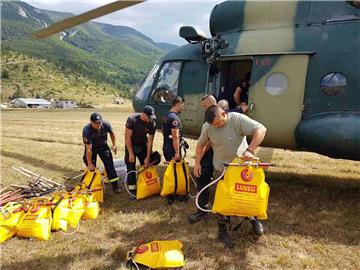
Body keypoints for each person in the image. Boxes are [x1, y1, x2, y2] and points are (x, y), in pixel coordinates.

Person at [194, 105, 267, 249]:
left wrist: (250, 150)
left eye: (218, 123)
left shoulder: (238, 119)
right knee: (223, 200)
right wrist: (197, 163)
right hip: (222, 169)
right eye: (213, 125)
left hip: (241, 169)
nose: (216, 127)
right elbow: (200, 145)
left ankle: (253, 218)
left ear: (224, 113)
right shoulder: (207, 127)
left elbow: (261, 129)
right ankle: (223, 231)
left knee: (247, 196)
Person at [187, 94, 216, 223]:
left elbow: (209, 141)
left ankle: (203, 209)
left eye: (205, 106)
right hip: (216, 153)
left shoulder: (214, 117)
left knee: (202, 176)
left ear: (212, 103)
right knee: (203, 177)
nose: (204, 109)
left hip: (215, 153)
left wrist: (202, 155)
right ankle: (202, 209)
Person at [82, 112, 120, 193]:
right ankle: (92, 186)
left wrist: (114, 145)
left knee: (110, 165)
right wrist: (89, 163)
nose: (98, 124)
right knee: (91, 168)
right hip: (92, 148)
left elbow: (112, 134)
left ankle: (115, 186)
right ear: (91, 122)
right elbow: (88, 149)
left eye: (100, 122)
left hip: (103, 146)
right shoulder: (87, 130)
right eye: (96, 123)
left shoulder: (106, 124)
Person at [125, 105, 156, 197]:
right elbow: (127, 138)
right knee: (131, 168)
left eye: (152, 117)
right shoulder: (132, 120)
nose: (150, 119)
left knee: (146, 165)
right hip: (131, 145)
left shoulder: (152, 123)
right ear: (143, 114)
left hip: (142, 146)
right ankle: (132, 190)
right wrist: (130, 153)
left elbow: (150, 141)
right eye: (149, 117)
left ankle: (147, 186)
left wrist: (148, 157)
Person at [162, 96, 185, 162]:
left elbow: (163, 131)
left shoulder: (166, 116)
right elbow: (175, 137)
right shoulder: (174, 118)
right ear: (178, 104)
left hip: (166, 146)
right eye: (182, 106)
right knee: (174, 171)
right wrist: (177, 153)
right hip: (172, 149)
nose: (182, 108)